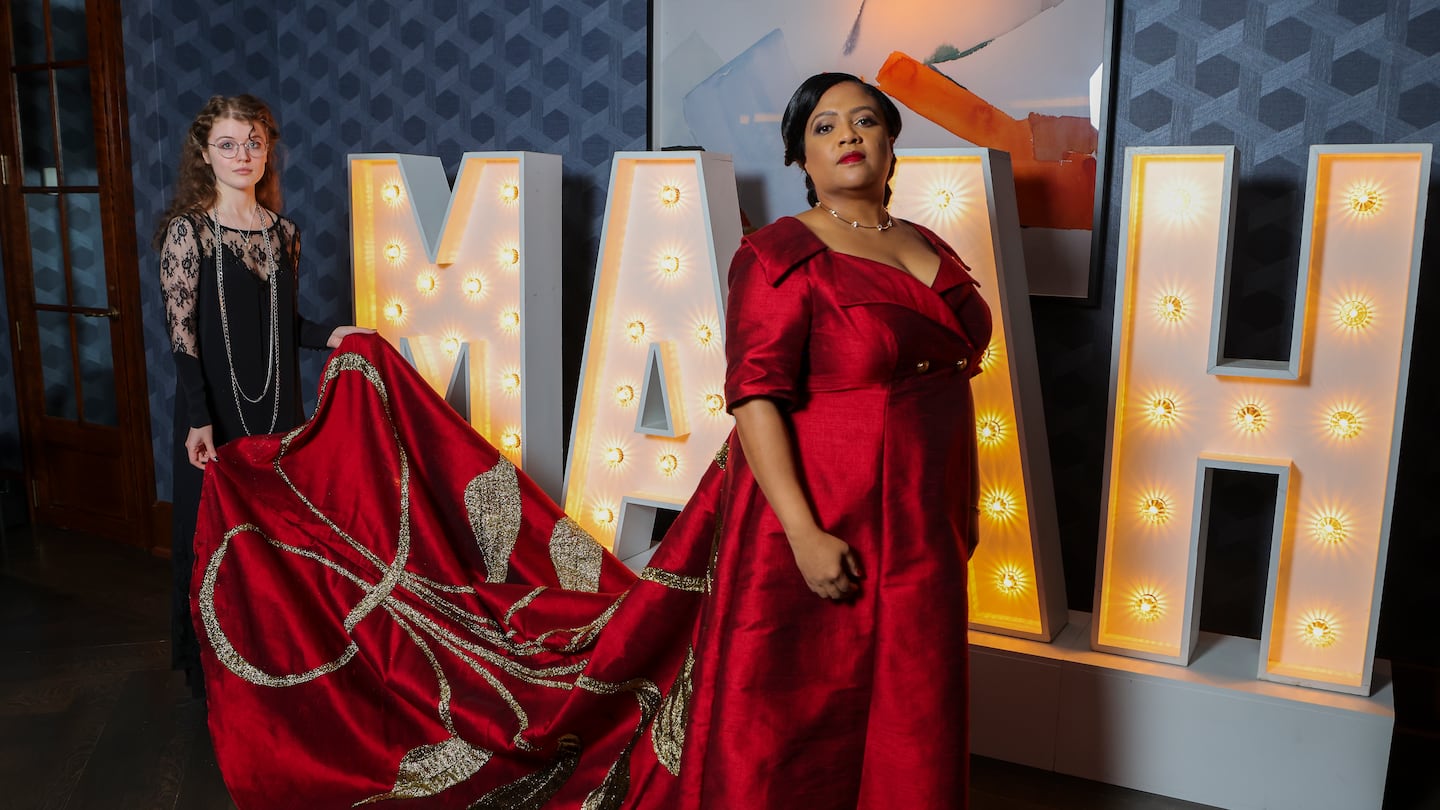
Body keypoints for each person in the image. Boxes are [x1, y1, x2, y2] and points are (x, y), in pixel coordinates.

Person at [184, 73, 986, 809]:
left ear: (891, 142)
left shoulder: (932, 248)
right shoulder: (783, 255)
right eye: (824, 125)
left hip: (924, 522)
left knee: (914, 699)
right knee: (807, 705)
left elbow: (948, 386)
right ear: (801, 156)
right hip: (820, 510)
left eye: (866, 119)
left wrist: (958, 506)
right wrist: (805, 534)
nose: (847, 133)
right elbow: (756, 400)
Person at [155, 94, 371, 697]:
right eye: (227, 143)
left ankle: (274, 667)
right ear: (205, 153)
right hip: (212, 416)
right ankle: (212, 675)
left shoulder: (284, 234)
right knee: (211, 542)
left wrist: (335, 334)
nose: (242, 154)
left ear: (267, 148)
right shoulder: (187, 233)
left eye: (253, 141)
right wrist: (199, 420)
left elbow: (283, 324)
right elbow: (183, 337)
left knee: (276, 541)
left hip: (277, 409)